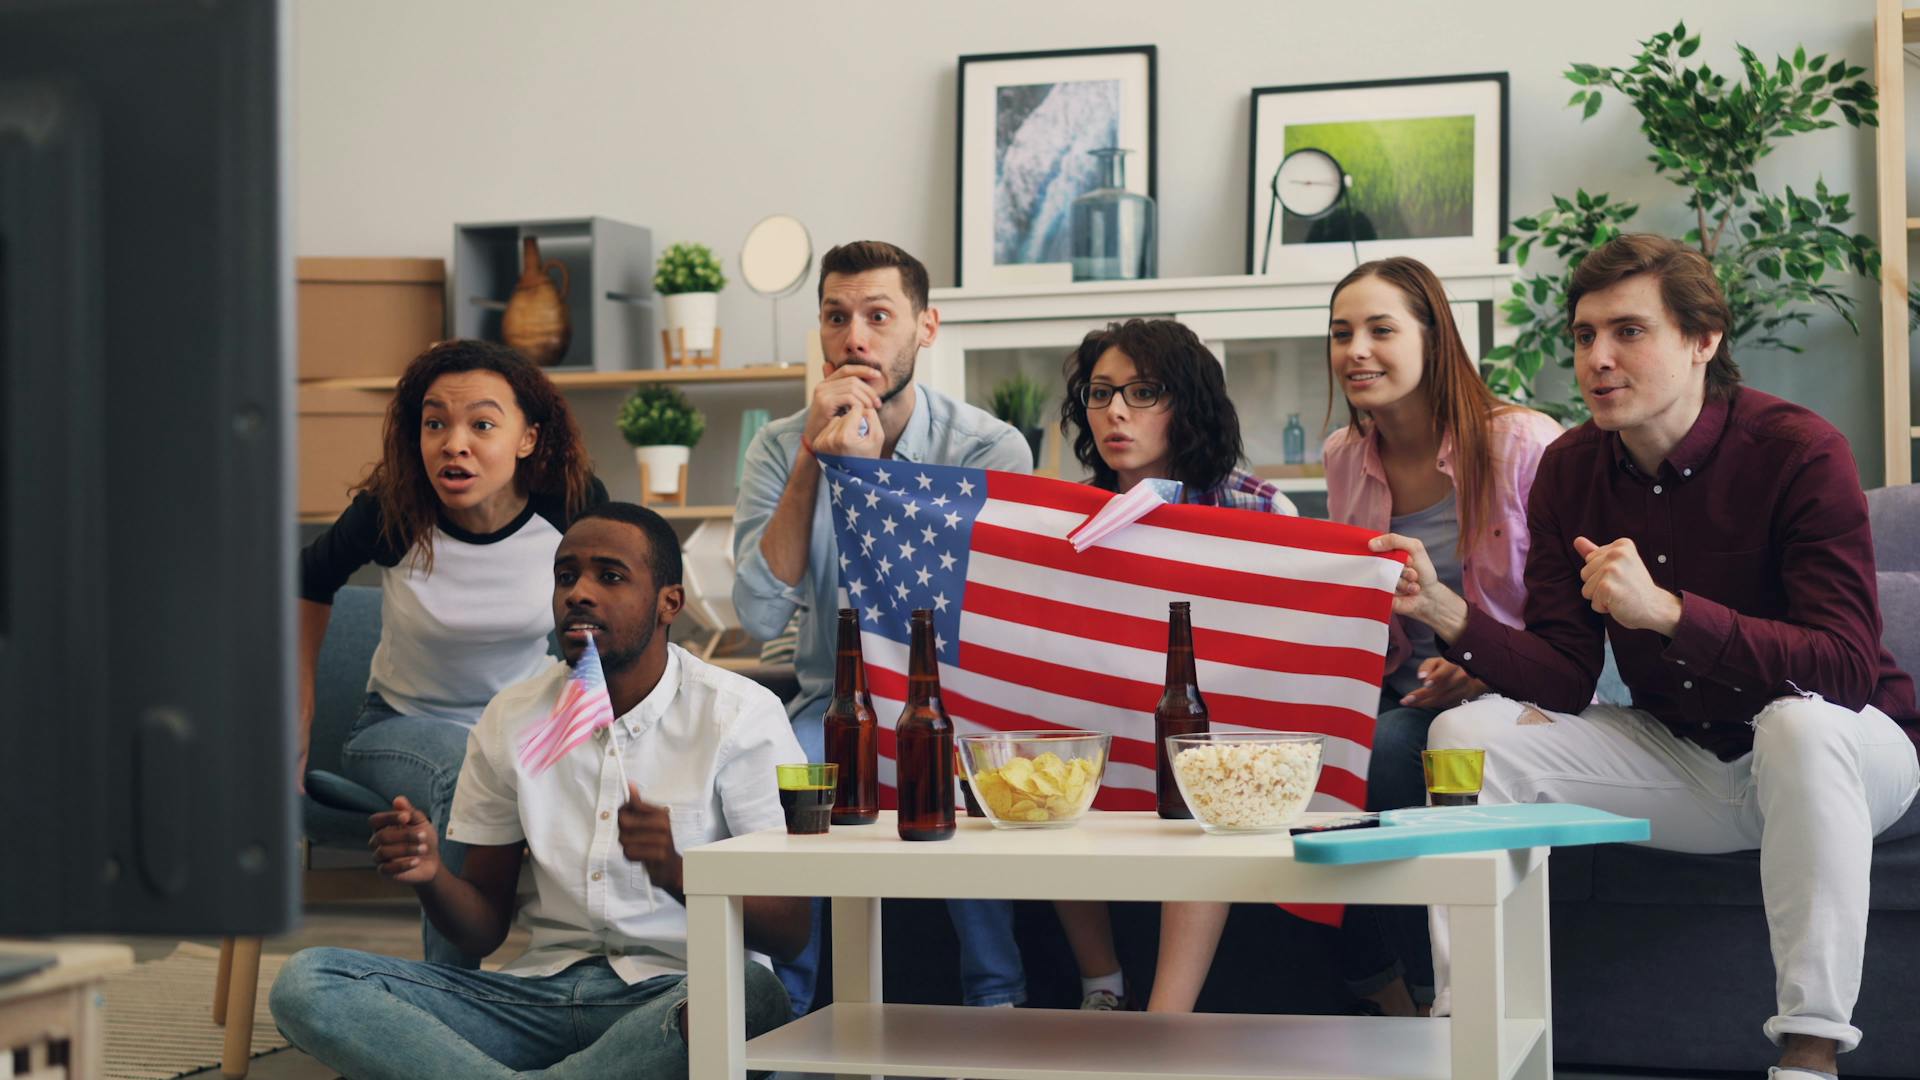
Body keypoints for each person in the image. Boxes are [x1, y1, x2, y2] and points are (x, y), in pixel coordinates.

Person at [1374, 234, 1920, 1077]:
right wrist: (1446, 611)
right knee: (1468, 738)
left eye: (1628, 332)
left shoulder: (1800, 451)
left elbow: (1845, 667)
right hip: (1689, 760)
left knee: (1796, 728)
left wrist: (1669, 614)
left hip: (1850, 754)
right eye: (1585, 336)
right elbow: (1564, 673)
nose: (1598, 359)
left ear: (1704, 340)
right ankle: (1471, 1028)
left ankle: (1810, 1054)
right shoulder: (1571, 470)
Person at [1146, 261, 1561, 1016]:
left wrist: (1478, 668)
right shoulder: (1344, 454)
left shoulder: (1522, 442)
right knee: (1276, 768)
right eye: (1342, 334)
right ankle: (1384, 994)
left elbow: (1565, 615)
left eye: (1381, 330)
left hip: (1514, 686)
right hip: (1400, 680)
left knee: (1390, 753)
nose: (1357, 351)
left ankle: (1445, 1002)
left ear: (1434, 340)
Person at [271, 503, 807, 1079]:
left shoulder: (740, 716)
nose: (578, 592)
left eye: (610, 576)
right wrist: (430, 878)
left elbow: (790, 932)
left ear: (668, 603)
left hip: (672, 998)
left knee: (753, 998)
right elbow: (483, 925)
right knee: (309, 982)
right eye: (565, 575)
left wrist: (677, 872)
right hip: (534, 1000)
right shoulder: (513, 716)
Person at [733, 240, 1034, 1017]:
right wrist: (814, 460)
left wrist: (871, 481)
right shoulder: (777, 446)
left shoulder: (988, 447)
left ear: (925, 328)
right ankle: (782, 1023)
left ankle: (996, 1007)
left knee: (962, 777)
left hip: (955, 700)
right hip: (827, 705)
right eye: (837, 317)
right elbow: (760, 613)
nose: (855, 338)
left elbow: (991, 614)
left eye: (878, 316)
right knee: (790, 782)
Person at [297, 338, 606, 967]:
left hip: (531, 723)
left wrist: (594, 703)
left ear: (527, 438)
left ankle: (592, 981)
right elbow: (306, 581)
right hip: (404, 726)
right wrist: (294, 724)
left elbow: (622, 598)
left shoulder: (570, 508)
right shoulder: (393, 514)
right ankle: (450, 993)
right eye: (434, 423)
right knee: (466, 771)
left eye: (482, 424)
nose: (453, 443)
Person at [1047, 317, 1297, 1011]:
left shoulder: (1257, 506)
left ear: (1186, 403)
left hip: (1212, 732)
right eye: (1100, 394)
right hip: (1102, 723)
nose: (1116, 412)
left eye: (1143, 391)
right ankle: (1102, 986)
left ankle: (1164, 1023)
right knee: (1045, 750)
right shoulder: (1069, 517)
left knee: (1200, 756)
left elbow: (1284, 644)